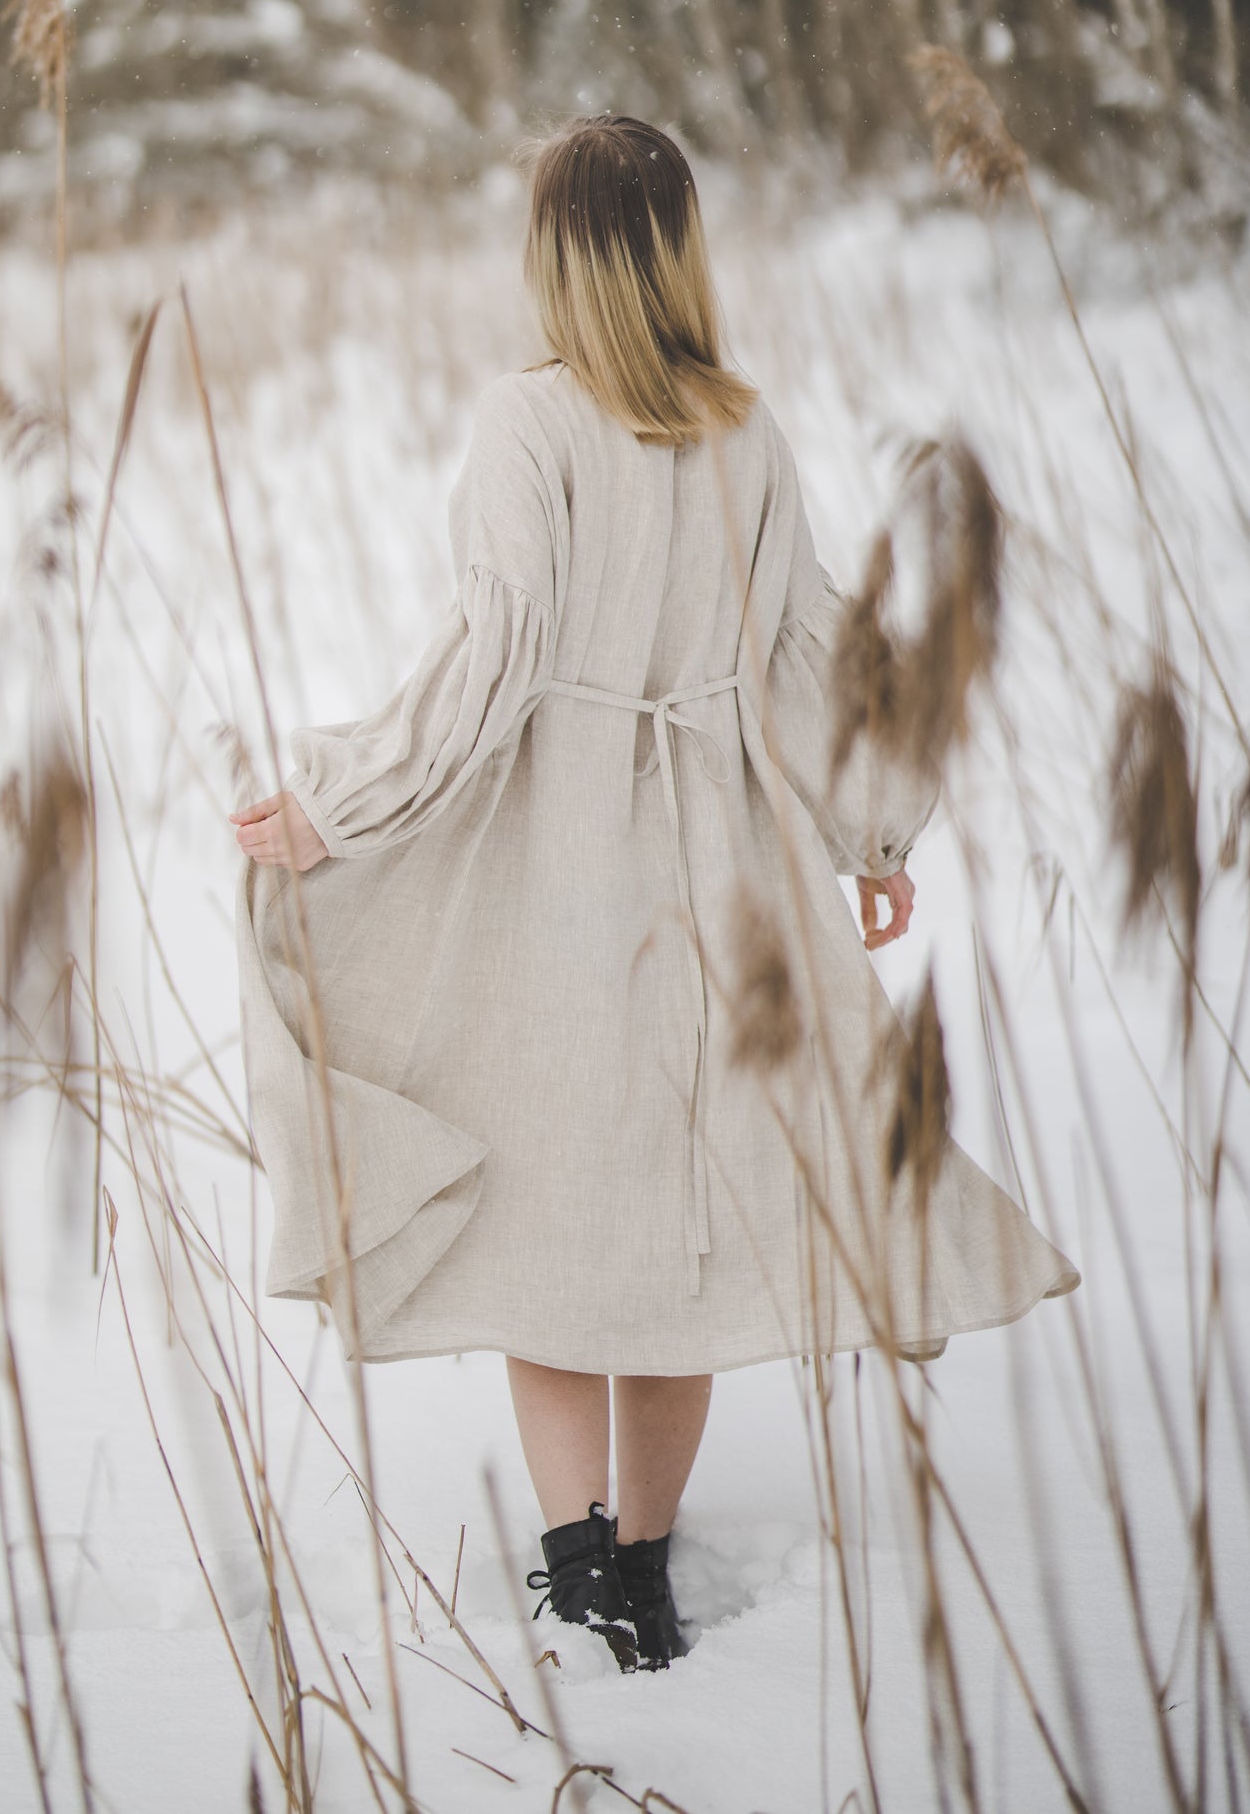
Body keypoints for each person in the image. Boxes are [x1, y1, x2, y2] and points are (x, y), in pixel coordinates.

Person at [230, 116, 1079, 1673]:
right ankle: (639, 1566)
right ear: (679, 246)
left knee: (559, 1209)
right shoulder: (740, 431)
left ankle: (578, 1575)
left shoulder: (528, 424)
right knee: (673, 1222)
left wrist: (342, 806)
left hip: (560, 857)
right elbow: (819, 654)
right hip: (719, 862)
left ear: (554, 256)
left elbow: (490, 660)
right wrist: (874, 834)